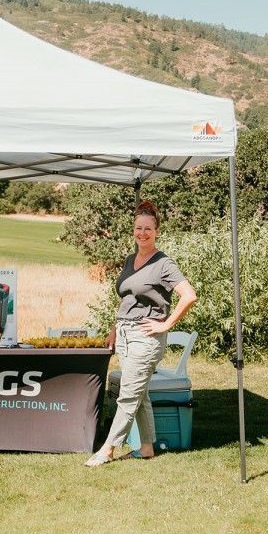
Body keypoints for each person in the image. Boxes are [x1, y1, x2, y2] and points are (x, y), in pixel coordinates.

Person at [85, 200, 197, 467]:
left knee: (128, 393)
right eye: (138, 228)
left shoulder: (164, 263)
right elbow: (126, 299)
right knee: (140, 393)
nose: (142, 233)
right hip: (124, 334)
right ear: (133, 230)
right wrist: (115, 328)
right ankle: (146, 447)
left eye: (148, 228)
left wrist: (166, 324)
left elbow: (189, 296)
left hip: (145, 337)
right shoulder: (129, 259)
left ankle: (108, 449)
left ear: (157, 231)